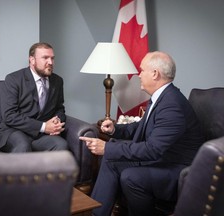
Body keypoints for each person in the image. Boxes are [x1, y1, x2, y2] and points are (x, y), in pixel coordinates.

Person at [79, 51, 204, 216]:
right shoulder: (161, 97)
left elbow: (152, 149)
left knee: (130, 175)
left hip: (177, 169)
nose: (138, 75)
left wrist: (107, 148)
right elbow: (141, 127)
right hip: (162, 160)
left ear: (155, 74)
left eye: (142, 70)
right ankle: (96, 213)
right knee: (111, 159)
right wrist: (115, 130)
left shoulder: (172, 105)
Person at [0, 42, 68, 153]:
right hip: (13, 131)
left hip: (41, 136)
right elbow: (9, 116)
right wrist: (43, 127)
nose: (50, 62)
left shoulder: (57, 81)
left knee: (61, 144)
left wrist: (57, 121)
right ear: (32, 60)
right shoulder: (13, 79)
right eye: (45, 58)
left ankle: (50, 171)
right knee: (23, 145)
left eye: (52, 58)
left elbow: (59, 108)